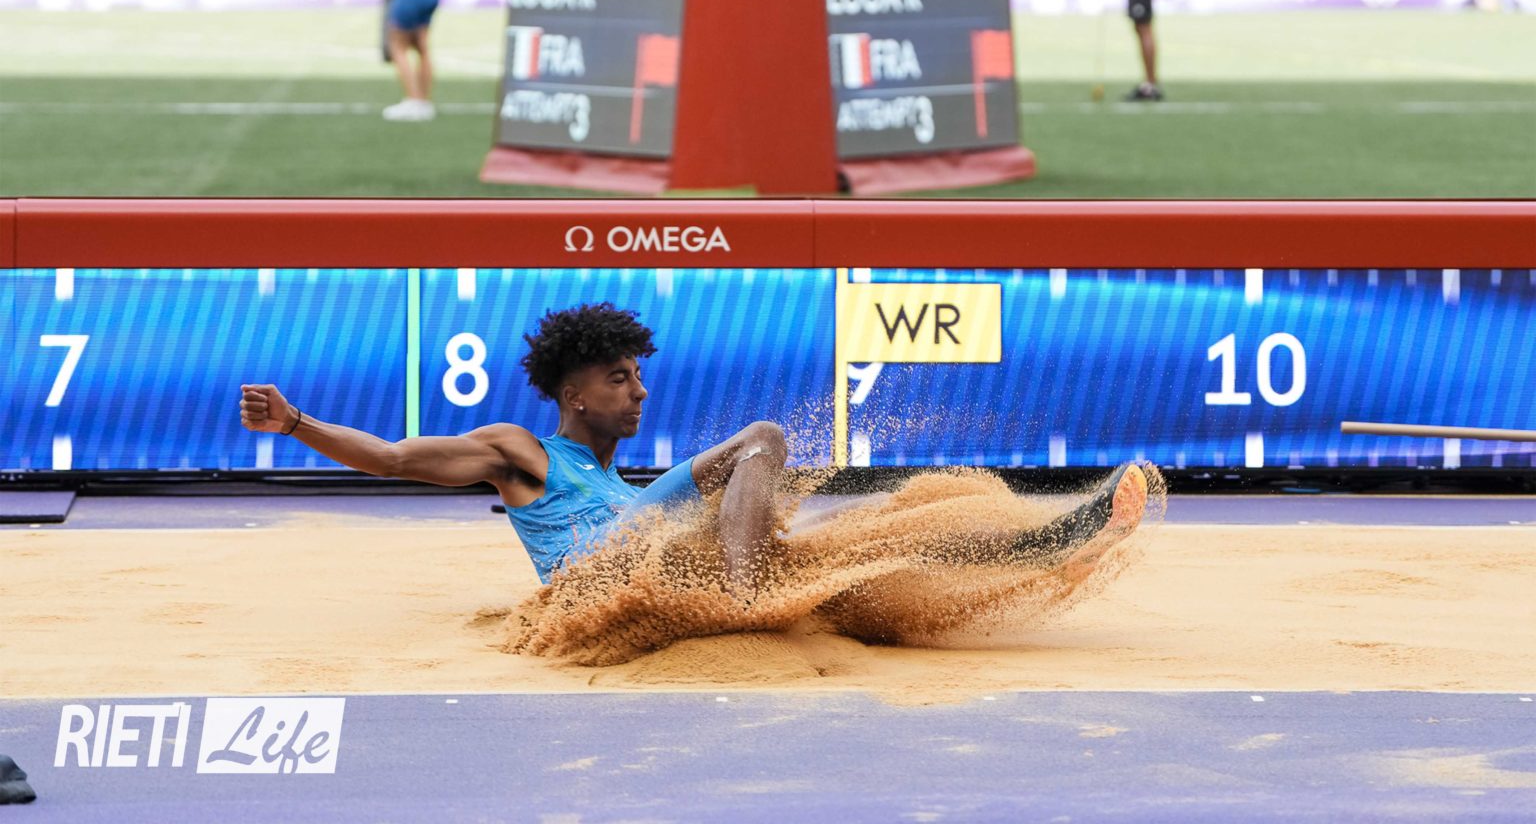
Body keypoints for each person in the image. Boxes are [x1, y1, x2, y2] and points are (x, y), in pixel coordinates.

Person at [239, 303, 1148, 593]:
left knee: (874, 541)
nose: (640, 392)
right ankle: (751, 590)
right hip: (608, 573)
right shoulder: (521, 452)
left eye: (640, 376)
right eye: (620, 378)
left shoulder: (618, 480)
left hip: (664, 560)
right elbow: (396, 460)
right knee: (764, 440)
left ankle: (1046, 544)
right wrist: (297, 424)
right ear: (574, 395)